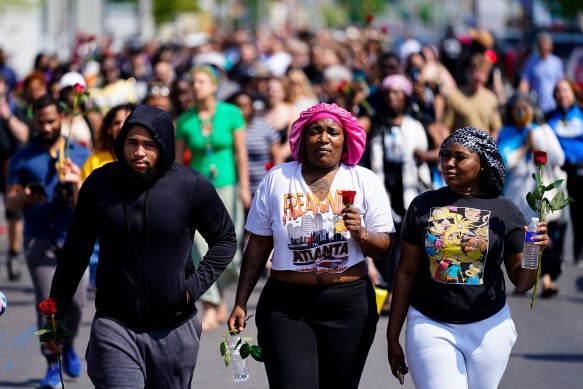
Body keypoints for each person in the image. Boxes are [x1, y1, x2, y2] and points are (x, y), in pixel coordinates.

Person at [45, 105, 237, 388]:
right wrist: (54, 313)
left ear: (164, 146)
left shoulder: (191, 185)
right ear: (121, 144)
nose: (139, 152)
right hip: (114, 325)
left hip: (175, 330)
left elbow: (225, 240)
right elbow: (75, 252)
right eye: (132, 142)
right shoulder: (100, 184)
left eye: (149, 144)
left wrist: (191, 289)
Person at [228, 102, 394, 389]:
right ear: (303, 140)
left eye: (333, 131)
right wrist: (241, 300)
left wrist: (362, 233)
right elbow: (257, 246)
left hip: (349, 306)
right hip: (286, 305)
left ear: (346, 140)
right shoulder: (277, 179)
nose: (324, 138)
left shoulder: (364, 180)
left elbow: (385, 247)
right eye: (314, 131)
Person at [387, 127, 550, 389]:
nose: (448, 163)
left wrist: (534, 251)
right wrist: (392, 336)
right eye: (444, 156)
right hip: (431, 324)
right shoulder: (422, 205)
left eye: (459, 157)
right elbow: (405, 273)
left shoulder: (506, 211)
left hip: (489, 328)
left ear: (482, 164)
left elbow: (522, 282)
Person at [6, 94, 90, 388]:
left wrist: (76, 182)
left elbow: (90, 206)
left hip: (74, 241)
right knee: (49, 304)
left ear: (61, 119)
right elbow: (12, 203)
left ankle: (68, 346)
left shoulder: (79, 154)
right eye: (40, 122)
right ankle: (51, 364)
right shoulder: (22, 157)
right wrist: (26, 196)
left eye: (51, 121)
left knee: (77, 302)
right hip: (39, 239)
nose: (45, 127)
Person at [175, 65, 251, 331]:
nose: (196, 86)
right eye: (193, 82)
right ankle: (211, 303)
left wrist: (244, 188)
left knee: (230, 250)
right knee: (198, 246)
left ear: (214, 85)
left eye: (201, 81)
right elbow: (177, 161)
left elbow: (241, 154)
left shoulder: (232, 113)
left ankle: (217, 297)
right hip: (197, 190)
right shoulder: (184, 120)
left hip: (228, 187)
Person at [498, 93, 566, 296]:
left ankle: (543, 279)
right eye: (516, 109)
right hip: (516, 196)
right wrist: (524, 146)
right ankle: (524, 279)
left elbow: (556, 158)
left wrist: (535, 146)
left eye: (524, 109)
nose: (521, 113)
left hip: (539, 197)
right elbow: (504, 161)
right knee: (519, 242)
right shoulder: (507, 132)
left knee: (538, 239)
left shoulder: (542, 131)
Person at [79, 103, 135, 287]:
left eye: (126, 121)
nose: (121, 126)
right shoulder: (95, 160)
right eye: (116, 122)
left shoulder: (144, 158)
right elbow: (83, 201)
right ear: (108, 129)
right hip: (101, 242)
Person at [546, 79, 583, 266]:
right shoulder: (549, 116)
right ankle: (557, 252)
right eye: (558, 91)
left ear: (574, 93)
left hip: (579, 169)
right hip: (558, 170)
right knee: (557, 212)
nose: (562, 94)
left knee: (578, 212)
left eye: (566, 90)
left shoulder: (581, 113)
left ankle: (579, 253)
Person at [443, 54, 502, 139]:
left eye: (483, 73)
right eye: (476, 71)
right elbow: (445, 127)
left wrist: (489, 149)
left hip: (482, 149)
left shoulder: (491, 98)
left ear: (487, 76)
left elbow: (495, 129)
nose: (478, 76)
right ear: (468, 72)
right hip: (461, 149)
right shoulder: (454, 96)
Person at [519, 32, 565, 117]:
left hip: (553, 106)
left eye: (546, 44)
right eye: (541, 44)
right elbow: (524, 82)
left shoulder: (557, 62)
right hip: (536, 106)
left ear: (550, 46)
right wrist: (521, 98)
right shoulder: (531, 62)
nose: (543, 46)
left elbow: (560, 82)